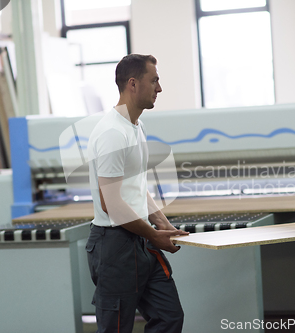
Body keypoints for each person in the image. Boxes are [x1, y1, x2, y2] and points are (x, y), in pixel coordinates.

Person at [86, 54, 189, 333]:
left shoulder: (136, 126)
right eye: (154, 80)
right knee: (116, 328)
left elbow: (136, 187)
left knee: (169, 317)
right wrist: (153, 234)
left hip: (141, 239)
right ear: (133, 84)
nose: (159, 88)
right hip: (115, 245)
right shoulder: (111, 133)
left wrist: (162, 223)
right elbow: (113, 206)